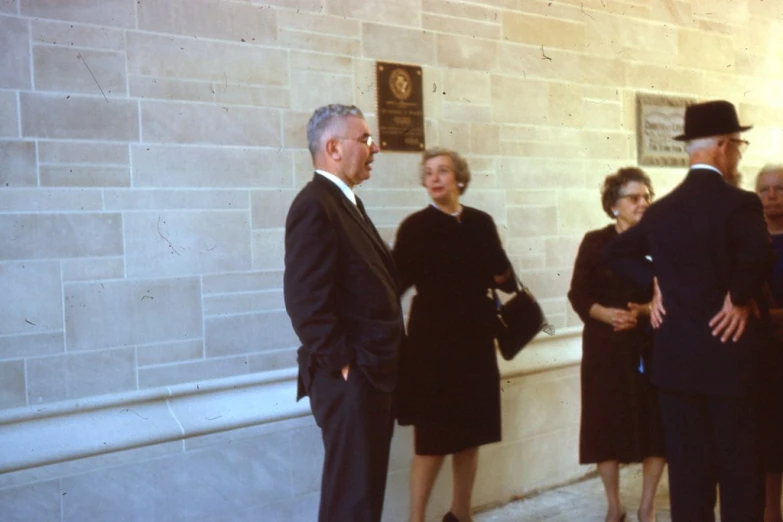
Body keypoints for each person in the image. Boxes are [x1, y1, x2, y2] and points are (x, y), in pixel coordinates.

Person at [608, 100, 774, 522]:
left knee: (689, 478)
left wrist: (654, 282)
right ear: (722, 145)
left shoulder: (662, 210)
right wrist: (739, 297)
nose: (738, 153)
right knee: (740, 476)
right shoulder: (740, 203)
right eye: (738, 144)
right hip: (731, 360)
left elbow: (617, 251)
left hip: (676, 367)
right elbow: (760, 252)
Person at [283, 104, 404, 522]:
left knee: (362, 496)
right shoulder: (315, 204)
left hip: (369, 375)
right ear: (333, 147)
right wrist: (345, 363)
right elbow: (305, 300)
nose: (376, 148)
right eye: (366, 139)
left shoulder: (345, 202)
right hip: (351, 378)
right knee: (351, 500)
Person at [392, 148, 515, 522]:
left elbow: (506, 278)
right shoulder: (414, 227)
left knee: (469, 435)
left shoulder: (481, 222)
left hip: (476, 342)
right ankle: (416, 519)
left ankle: (461, 514)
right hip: (431, 346)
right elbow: (394, 285)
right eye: (428, 172)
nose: (434, 178)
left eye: (443, 171)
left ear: (459, 178)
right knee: (431, 442)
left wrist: (498, 273)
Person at [568, 167, 666, 522]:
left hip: (649, 344)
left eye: (646, 197)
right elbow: (578, 293)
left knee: (656, 424)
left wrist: (641, 311)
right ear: (613, 205)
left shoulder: (659, 241)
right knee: (602, 424)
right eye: (634, 197)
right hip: (604, 345)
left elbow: (669, 293)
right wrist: (606, 315)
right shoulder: (596, 242)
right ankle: (614, 505)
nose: (643, 203)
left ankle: (647, 505)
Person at [755, 165, 783, 522]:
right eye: (765, 189)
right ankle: (771, 512)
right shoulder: (750, 240)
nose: (773, 195)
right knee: (769, 439)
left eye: (779, 188)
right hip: (762, 356)